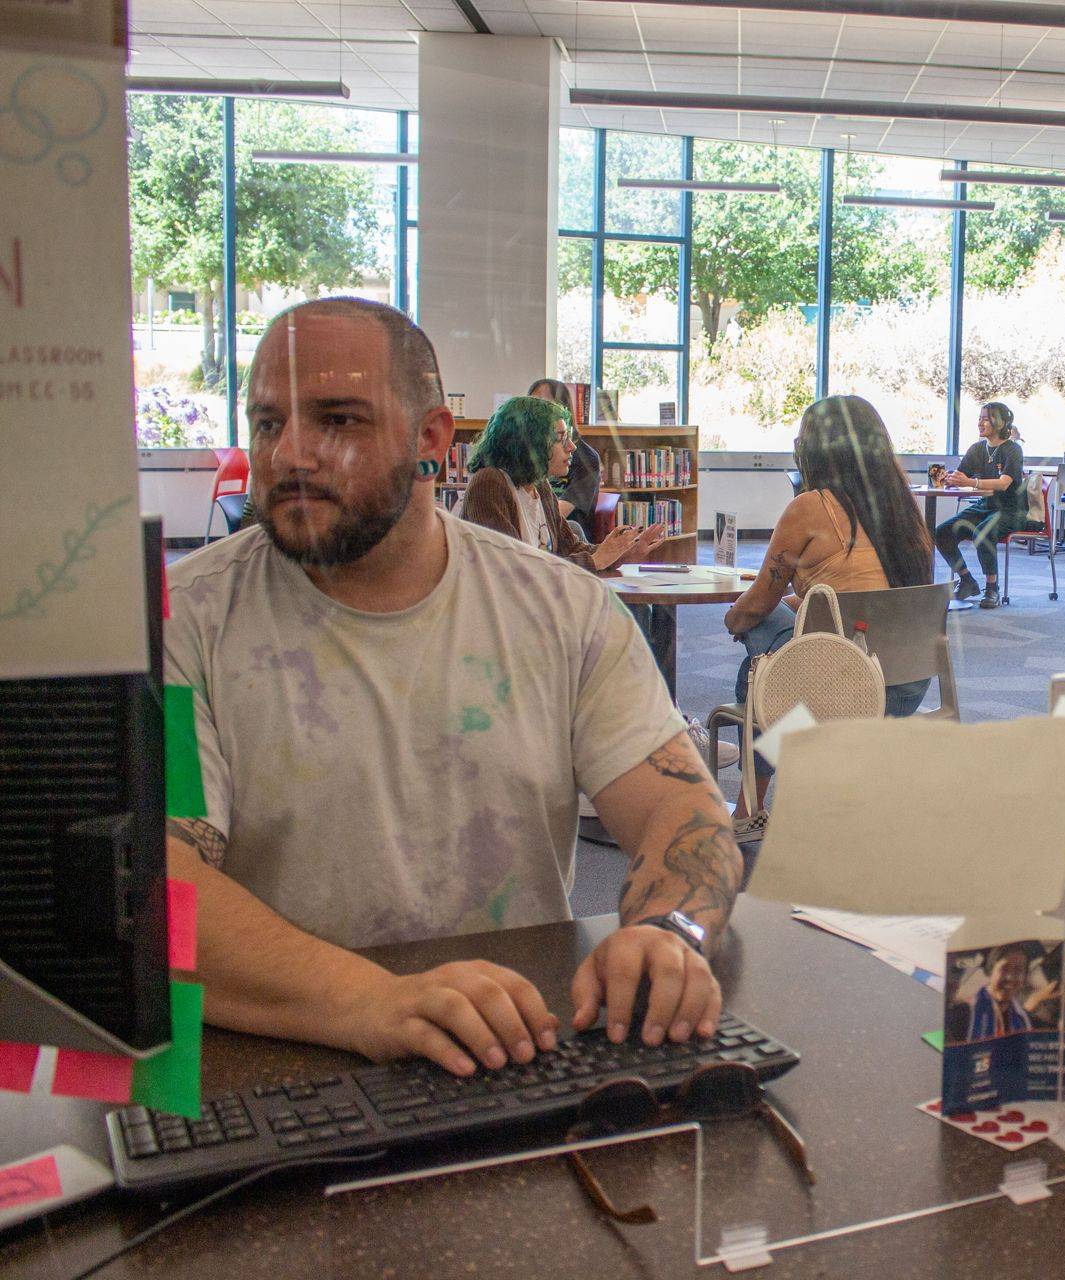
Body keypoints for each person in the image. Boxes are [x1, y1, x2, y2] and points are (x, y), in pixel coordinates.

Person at [165, 297, 741, 1076]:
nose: (290, 454)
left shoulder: (563, 609)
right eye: (268, 424)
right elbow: (164, 884)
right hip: (282, 1069)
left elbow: (684, 811)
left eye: (338, 419)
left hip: (517, 1047)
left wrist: (667, 937)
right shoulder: (183, 621)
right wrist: (370, 1000)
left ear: (431, 439)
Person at [723, 395, 935, 826]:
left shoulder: (810, 507)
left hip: (845, 691)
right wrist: (800, 603)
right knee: (782, 631)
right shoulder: (904, 509)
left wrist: (734, 620)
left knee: (759, 661)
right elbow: (872, 590)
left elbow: (756, 604)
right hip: (908, 684)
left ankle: (749, 808)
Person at [457, 395, 656, 573]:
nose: (572, 447)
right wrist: (595, 560)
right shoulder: (490, 483)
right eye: (560, 439)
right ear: (530, 444)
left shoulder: (540, 486)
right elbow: (512, 568)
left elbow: (571, 548)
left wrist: (622, 552)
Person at [934, 402, 1033, 609]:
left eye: (986, 418)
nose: (980, 422)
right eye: (980, 418)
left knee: (982, 533)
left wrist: (970, 482)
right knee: (942, 532)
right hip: (985, 505)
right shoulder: (977, 449)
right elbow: (961, 475)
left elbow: (1004, 483)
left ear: (1001, 422)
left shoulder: (1013, 450)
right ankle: (967, 579)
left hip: (1011, 509)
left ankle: (992, 588)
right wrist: (948, 479)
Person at [528, 377, 600, 534]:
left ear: (562, 410)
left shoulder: (586, 457)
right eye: (531, 404)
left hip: (567, 534)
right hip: (534, 531)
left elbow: (556, 514)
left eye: (543, 405)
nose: (534, 412)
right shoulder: (527, 451)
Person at [965, 946, 1035, 1041]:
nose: (1010, 978)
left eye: (1018, 970)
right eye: (1004, 969)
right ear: (990, 971)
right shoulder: (965, 1013)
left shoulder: (1025, 1019)